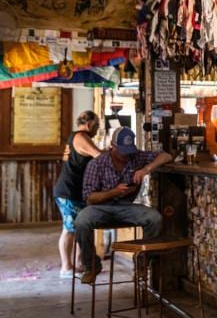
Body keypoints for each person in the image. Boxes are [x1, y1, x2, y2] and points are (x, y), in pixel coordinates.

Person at [75, 126, 173, 284]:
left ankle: (142, 263)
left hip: (126, 207)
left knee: (154, 218)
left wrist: (146, 169)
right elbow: (90, 198)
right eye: (122, 151)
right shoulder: (97, 164)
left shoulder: (136, 157)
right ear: (112, 147)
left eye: (128, 151)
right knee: (81, 221)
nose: (126, 156)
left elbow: (166, 156)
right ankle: (91, 265)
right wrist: (113, 192)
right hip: (100, 207)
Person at [53, 110, 102, 278]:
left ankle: (81, 265)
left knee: (80, 227)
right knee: (70, 229)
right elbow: (99, 156)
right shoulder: (81, 137)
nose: (97, 130)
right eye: (97, 126)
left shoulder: (76, 136)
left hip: (75, 190)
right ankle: (66, 268)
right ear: (89, 124)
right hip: (69, 191)